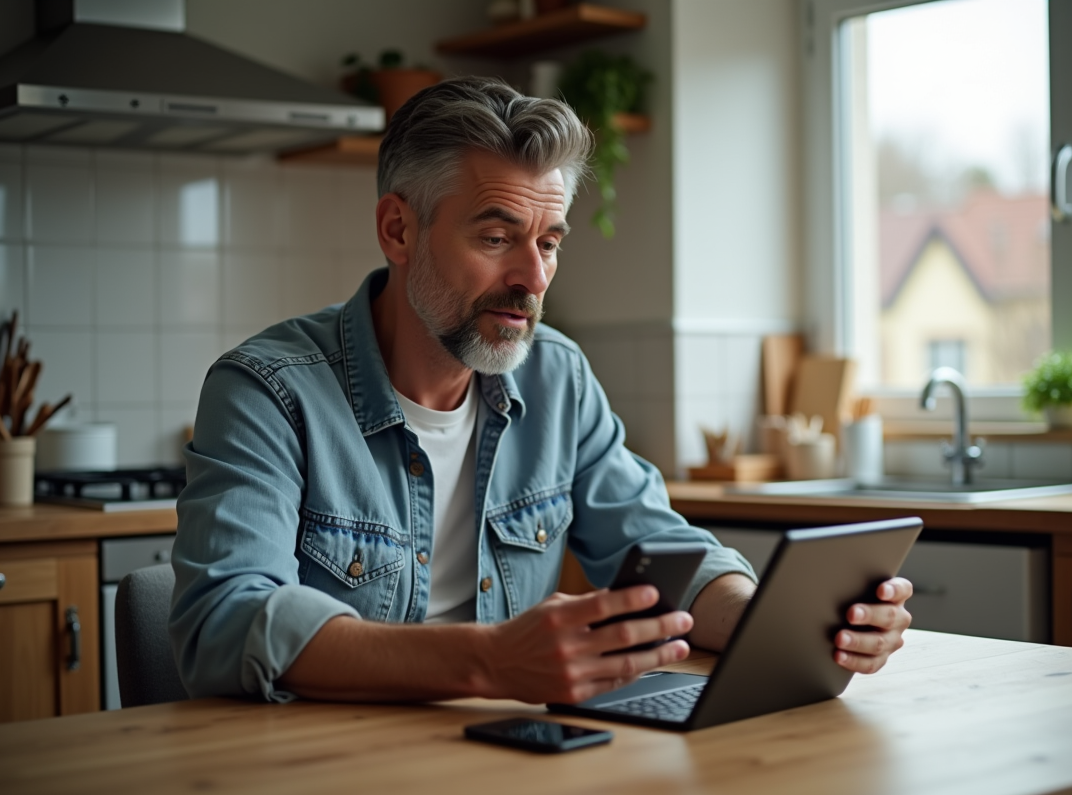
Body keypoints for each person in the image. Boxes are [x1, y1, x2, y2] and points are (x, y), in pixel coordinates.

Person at [169, 76, 912, 705]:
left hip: (513, 754)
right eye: (496, 239)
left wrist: (781, 624)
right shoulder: (266, 391)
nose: (533, 277)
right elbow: (226, 623)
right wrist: (490, 659)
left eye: (549, 241)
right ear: (398, 230)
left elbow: (659, 552)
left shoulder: (556, 375)